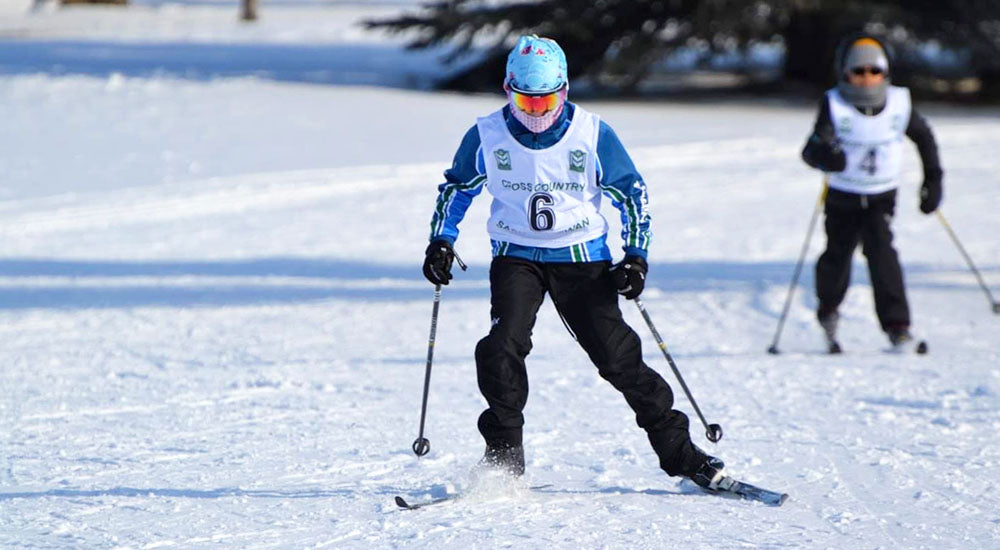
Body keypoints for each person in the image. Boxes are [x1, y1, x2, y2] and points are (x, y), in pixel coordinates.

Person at [421, 35, 725, 489]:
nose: (538, 112)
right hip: (516, 256)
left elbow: (632, 194)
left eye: (548, 100)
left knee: (619, 358)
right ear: (509, 91)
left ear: (564, 91)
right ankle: (504, 456)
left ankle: (681, 454)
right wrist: (441, 241)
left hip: (582, 259)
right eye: (526, 100)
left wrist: (636, 257)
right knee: (501, 346)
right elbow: (457, 188)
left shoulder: (592, 133)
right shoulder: (487, 134)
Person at [801, 34, 943, 352]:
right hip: (843, 196)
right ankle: (828, 310)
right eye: (859, 71)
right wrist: (827, 156)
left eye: (874, 71)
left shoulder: (899, 103)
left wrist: (933, 180)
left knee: (882, 253)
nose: (867, 78)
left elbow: (925, 139)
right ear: (845, 72)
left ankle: (897, 326)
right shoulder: (835, 103)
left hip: (881, 195)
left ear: (885, 72)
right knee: (837, 256)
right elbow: (810, 151)